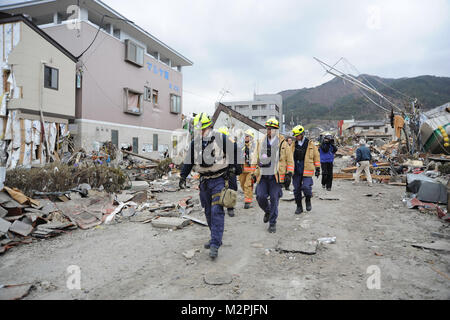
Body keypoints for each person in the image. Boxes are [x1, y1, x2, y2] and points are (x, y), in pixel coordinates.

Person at [179, 114, 239, 259]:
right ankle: (215, 237)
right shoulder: (195, 143)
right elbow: (188, 161)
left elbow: (235, 150)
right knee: (208, 211)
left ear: (209, 127)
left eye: (202, 129)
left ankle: (215, 244)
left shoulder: (220, 138)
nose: (200, 132)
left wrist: (234, 168)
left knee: (216, 210)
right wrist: (182, 176)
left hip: (219, 180)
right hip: (204, 181)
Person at [255, 118, 294, 233]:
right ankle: (267, 211)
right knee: (260, 196)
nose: (270, 131)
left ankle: (272, 222)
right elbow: (256, 159)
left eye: (272, 129)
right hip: (263, 175)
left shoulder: (284, 143)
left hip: (276, 177)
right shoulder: (261, 142)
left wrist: (289, 173)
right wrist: (254, 173)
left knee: (274, 199)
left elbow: (290, 160)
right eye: (268, 129)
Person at [291, 125, 320, 214]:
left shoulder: (310, 144)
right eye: (295, 136)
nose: (296, 137)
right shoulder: (293, 145)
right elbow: (288, 157)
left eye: (297, 135)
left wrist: (317, 168)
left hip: (307, 168)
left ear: (302, 134)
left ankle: (308, 199)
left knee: (306, 187)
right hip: (296, 169)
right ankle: (299, 206)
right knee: (296, 189)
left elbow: (316, 156)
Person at [217, 126, 241, 217]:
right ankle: (219, 207)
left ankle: (230, 208)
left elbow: (237, 156)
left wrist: (234, 168)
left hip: (230, 169)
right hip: (219, 169)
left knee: (232, 188)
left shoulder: (232, 144)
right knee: (218, 188)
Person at [239, 129, 257, 209]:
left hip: (250, 169)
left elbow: (256, 157)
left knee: (247, 185)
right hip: (242, 169)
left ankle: (248, 201)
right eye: (245, 135)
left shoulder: (254, 146)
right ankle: (248, 195)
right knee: (242, 184)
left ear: (251, 137)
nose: (246, 137)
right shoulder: (241, 145)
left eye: (247, 136)